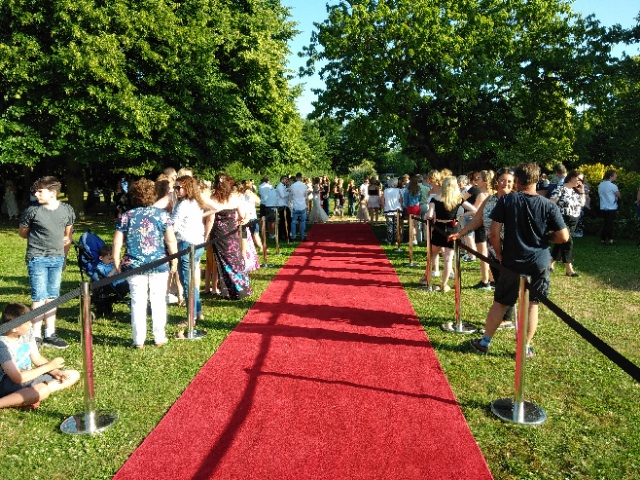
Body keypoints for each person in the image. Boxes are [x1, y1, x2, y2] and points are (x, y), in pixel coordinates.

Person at [469, 163, 569, 358]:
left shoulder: (507, 201)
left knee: (501, 302)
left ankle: (485, 342)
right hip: (539, 261)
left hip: (512, 260)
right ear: (537, 180)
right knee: (532, 304)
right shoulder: (548, 204)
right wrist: (545, 238)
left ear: (517, 181)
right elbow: (564, 237)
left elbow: (494, 233)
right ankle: (524, 347)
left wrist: (499, 255)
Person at [113, 178, 178, 348]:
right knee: (158, 301)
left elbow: (117, 242)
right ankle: (159, 337)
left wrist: (116, 260)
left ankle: (138, 340)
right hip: (159, 262)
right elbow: (170, 241)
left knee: (137, 302)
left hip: (134, 264)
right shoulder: (162, 215)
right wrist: (175, 258)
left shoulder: (127, 216)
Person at [449, 168, 517, 323]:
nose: (505, 183)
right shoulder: (490, 200)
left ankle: (507, 319)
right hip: (493, 247)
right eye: (502, 180)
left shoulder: (516, 200)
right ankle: (503, 315)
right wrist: (460, 233)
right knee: (499, 282)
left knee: (507, 284)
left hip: (510, 248)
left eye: (509, 181)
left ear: (513, 184)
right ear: (497, 181)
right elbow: (477, 220)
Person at [19, 176, 75, 349]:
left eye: (40, 191)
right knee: (39, 296)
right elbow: (22, 233)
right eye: (35, 191)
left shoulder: (66, 210)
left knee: (52, 296)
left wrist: (64, 258)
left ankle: (50, 334)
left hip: (57, 258)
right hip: (37, 258)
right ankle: (35, 335)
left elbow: (68, 237)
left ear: (52, 193)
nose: (36, 194)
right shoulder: (32, 211)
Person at [0, 303, 80, 409]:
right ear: (14, 328)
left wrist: (55, 371)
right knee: (42, 391)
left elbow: (36, 358)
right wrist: (49, 367)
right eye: (27, 323)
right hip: (6, 382)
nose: (31, 324)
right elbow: (17, 378)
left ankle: (23, 398)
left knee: (73, 374)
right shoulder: (2, 344)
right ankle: (8, 401)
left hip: (29, 377)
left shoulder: (27, 332)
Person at [424, 176, 477, 292]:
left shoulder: (435, 199)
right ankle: (444, 284)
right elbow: (474, 210)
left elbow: (429, 215)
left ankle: (427, 279)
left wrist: (430, 215)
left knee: (432, 254)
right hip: (453, 228)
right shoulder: (458, 199)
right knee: (448, 259)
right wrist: (460, 216)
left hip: (439, 228)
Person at [172, 176, 211, 326]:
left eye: (178, 188)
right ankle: (198, 311)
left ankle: (191, 317)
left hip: (186, 244)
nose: (176, 191)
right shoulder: (196, 202)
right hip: (198, 243)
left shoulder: (183, 205)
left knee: (186, 281)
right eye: (175, 188)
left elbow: (173, 226)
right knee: (190, 281)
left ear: (187, 188)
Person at [207, 174, 252, 300]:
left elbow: (210, 219)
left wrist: (206, 236)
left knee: (223, 261)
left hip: (219, 233)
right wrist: (244, 219)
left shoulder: (213, 198)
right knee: (235, 259)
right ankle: (242, 288)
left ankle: (229, 290)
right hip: (232, 232)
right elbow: (243, 215)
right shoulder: (234, 197)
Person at [549, 170, 586, 277]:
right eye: (579, 179)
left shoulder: (576, 191)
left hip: (573, 221)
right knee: (568, 243)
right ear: (571, 177)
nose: (580, 182)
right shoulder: (561, 188)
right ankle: (569, 270)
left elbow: (582, 204)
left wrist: (582, 191)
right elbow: (551, 203)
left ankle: (549, 264)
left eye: (582, 180)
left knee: (560, 243)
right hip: (562, 220)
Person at [598, 169, 620, 245]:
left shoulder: (600, 185)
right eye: (615, 175)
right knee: (610, 224)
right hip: (611, 207)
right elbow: (619, 195)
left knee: (606, 223)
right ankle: (610, 238)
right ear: (611, 176)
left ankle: (603, 238)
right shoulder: (613, 186)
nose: (616, 177)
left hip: (603, 206)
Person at [381, 178, 403, 246]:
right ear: (395, 184)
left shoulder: (385, 191)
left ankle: (389, 240)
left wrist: (383, 208)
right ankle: (396, 240)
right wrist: (401, 207)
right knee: (396, 226)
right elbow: (401, 200)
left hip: (388, 210)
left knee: (389, 225)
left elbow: (382, 201)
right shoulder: (399, 190)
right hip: (397, 210)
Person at [289, 173, 309, 241]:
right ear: (301, 178)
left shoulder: (292, 186)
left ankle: (293, 237)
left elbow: (291, 196)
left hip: (295, 205)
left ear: (296, 178)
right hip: (302, 205)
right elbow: (306, 196)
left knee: (294, 222)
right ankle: (302, 236)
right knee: (303, 222)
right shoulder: (304, 186)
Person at [275, 175, 290, 241]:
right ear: (282, 179)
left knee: (284, 221)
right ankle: (281, 235)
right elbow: (283, 195)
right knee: (283, 221)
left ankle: (283, 234)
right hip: (281, 205)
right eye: (286, 180)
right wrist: (289, 192)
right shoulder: (280, 186)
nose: (287, 181)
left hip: (284, 205)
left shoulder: (283, 186)